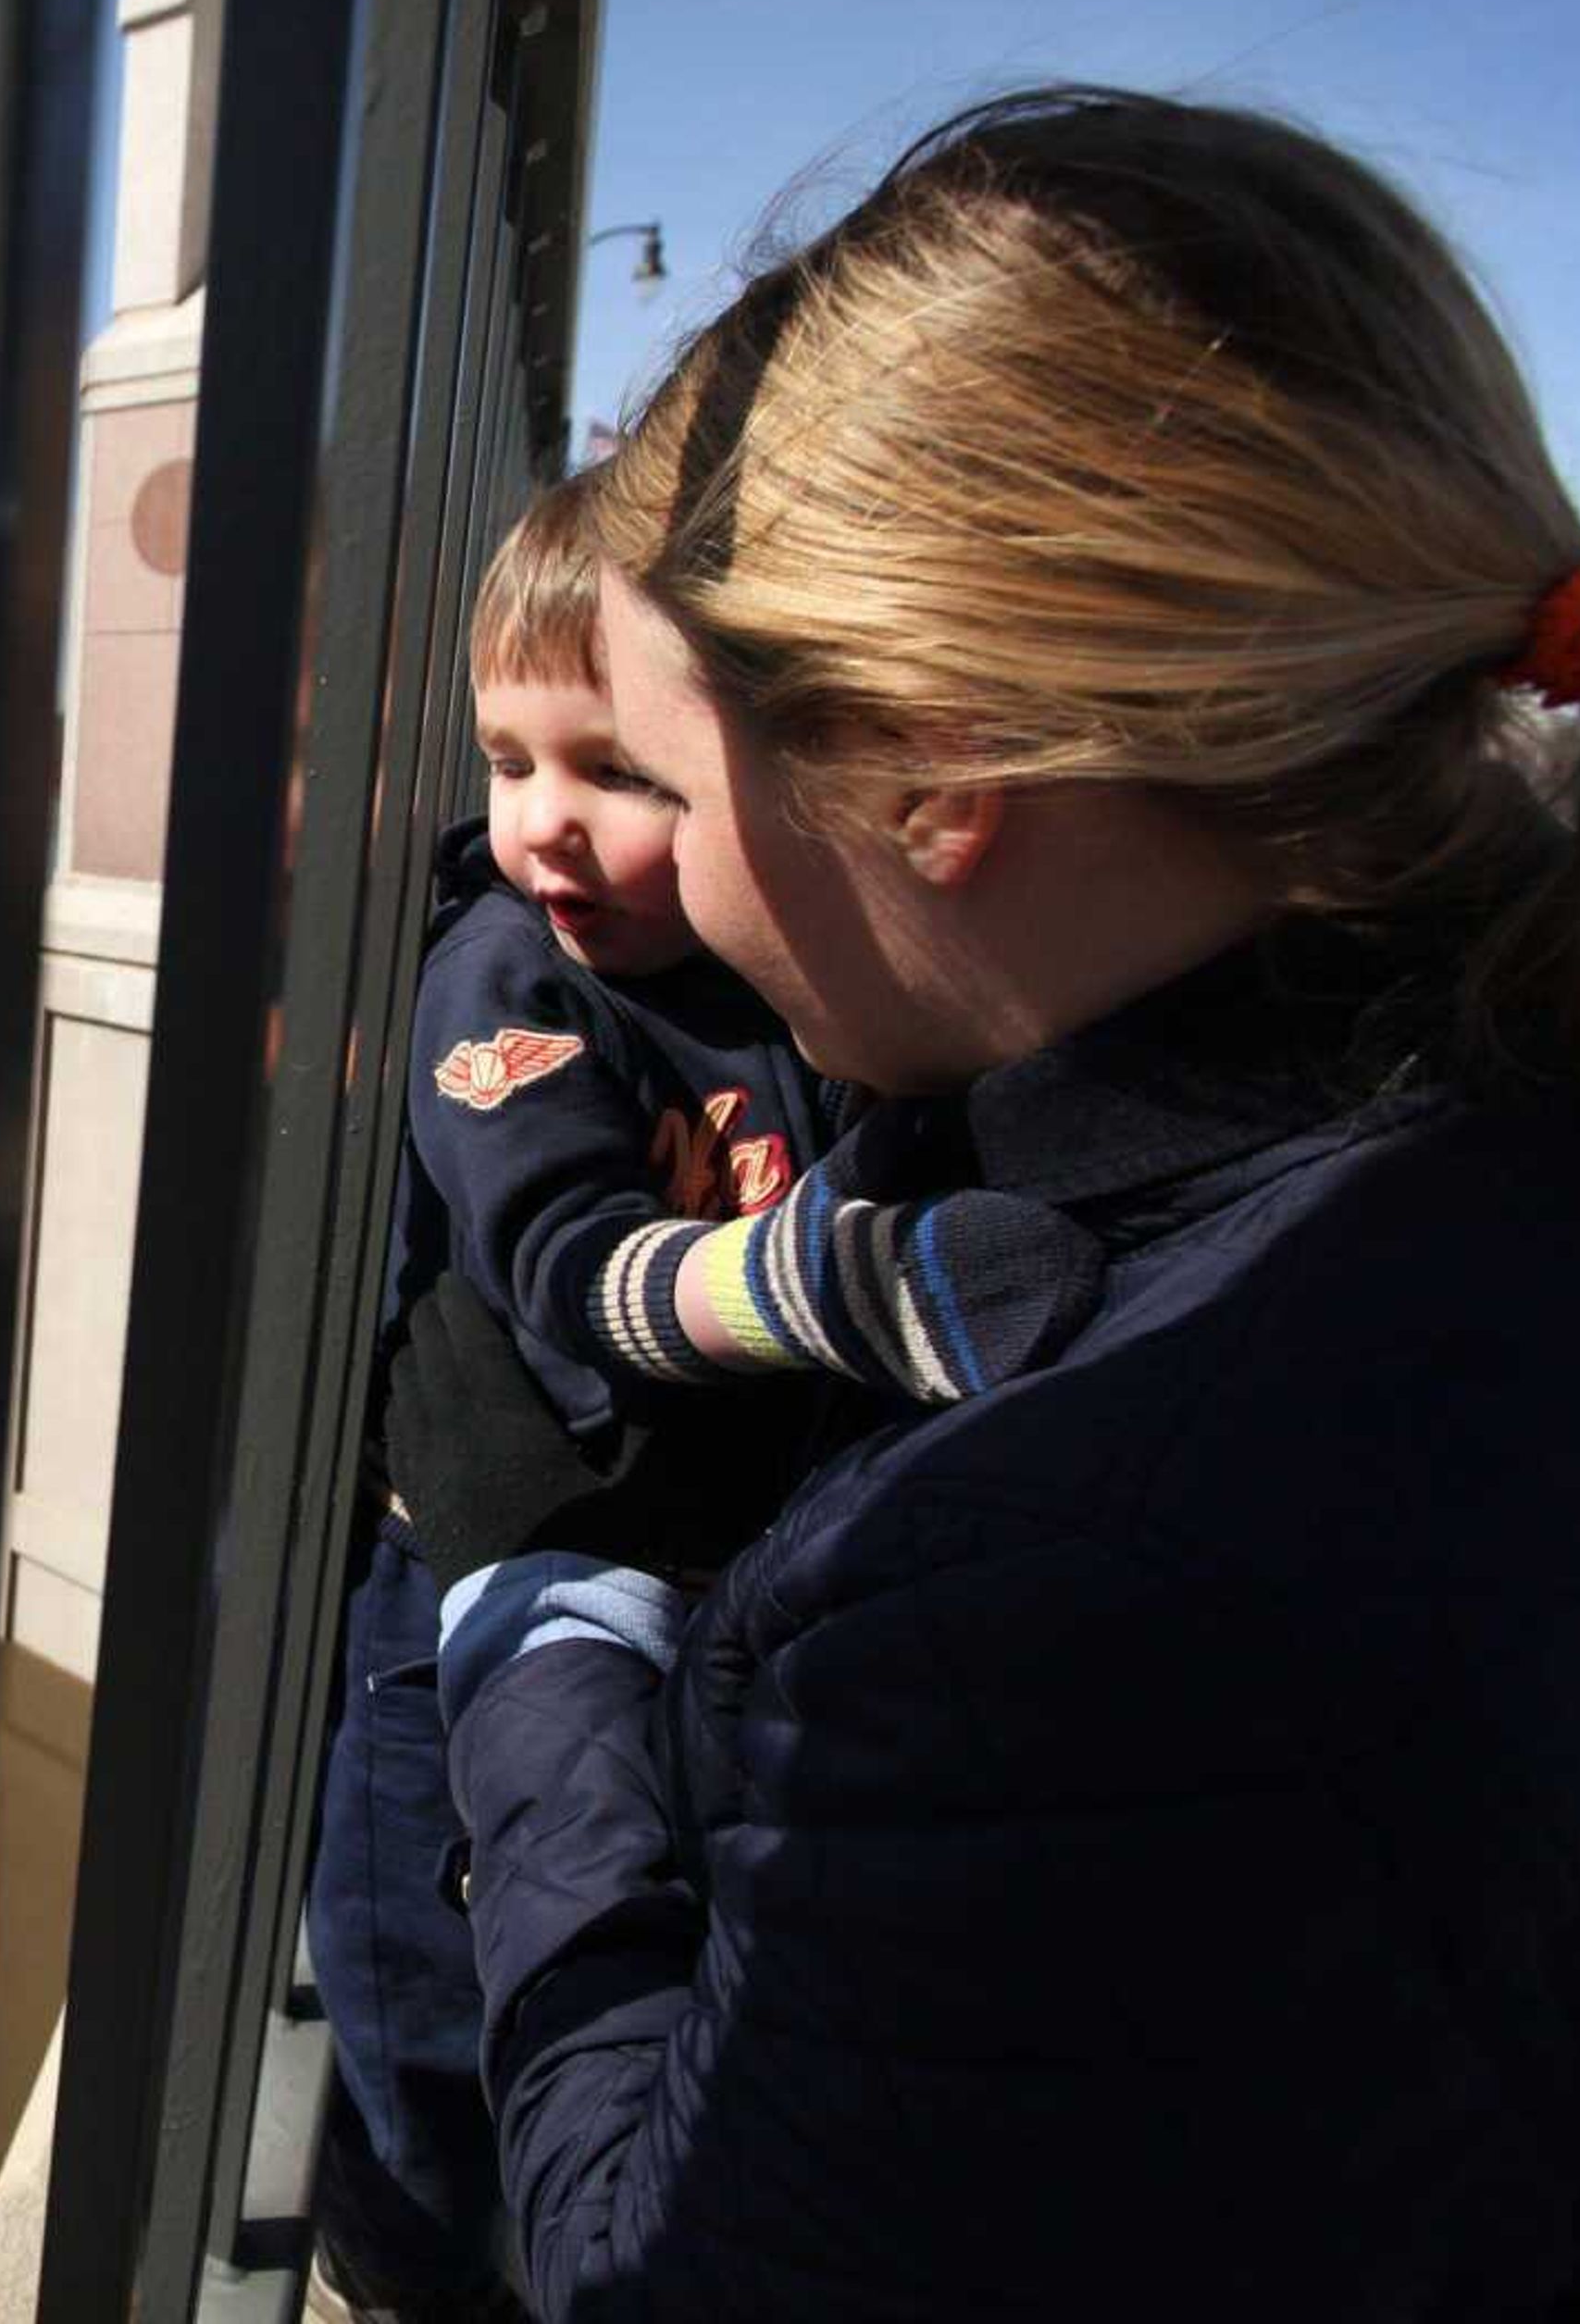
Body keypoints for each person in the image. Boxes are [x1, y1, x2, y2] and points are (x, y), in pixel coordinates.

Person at [416, 85, 1580, 2319]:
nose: (670, 872)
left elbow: (657, 2273)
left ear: (933, 775)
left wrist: (538, 1634)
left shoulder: (1076, 1593)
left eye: (675, 786)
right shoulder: (1544, 1088)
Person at [309, 478, 1100, 2319]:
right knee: (421, 1967)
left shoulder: (790, 972)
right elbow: (569, 1271)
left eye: (619, 776)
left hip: (717, 1562)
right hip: (481, 1582)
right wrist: (845, 1285)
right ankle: (407, 2258)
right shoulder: (502, 975)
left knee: (655, 1914)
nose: (542, 830)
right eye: (505, 760)